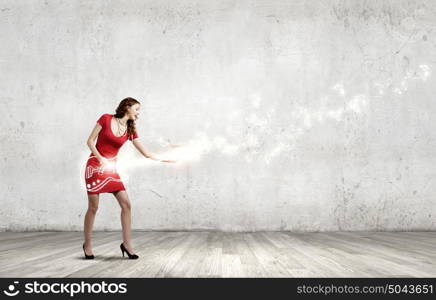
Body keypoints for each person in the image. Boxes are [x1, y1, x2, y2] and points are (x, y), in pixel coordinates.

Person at [82, 97, 175, 259]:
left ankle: (127, 244)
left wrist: (163, 159)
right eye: (137, 109)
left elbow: (145, 153)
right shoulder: (105, 118)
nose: (139, 113)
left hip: (111, 169)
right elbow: (89, 141)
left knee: (126, 205)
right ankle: (87, 244)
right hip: (95, 166)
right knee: (93, 207)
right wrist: (101, 159)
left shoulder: (131, 130)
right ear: (127, 107)